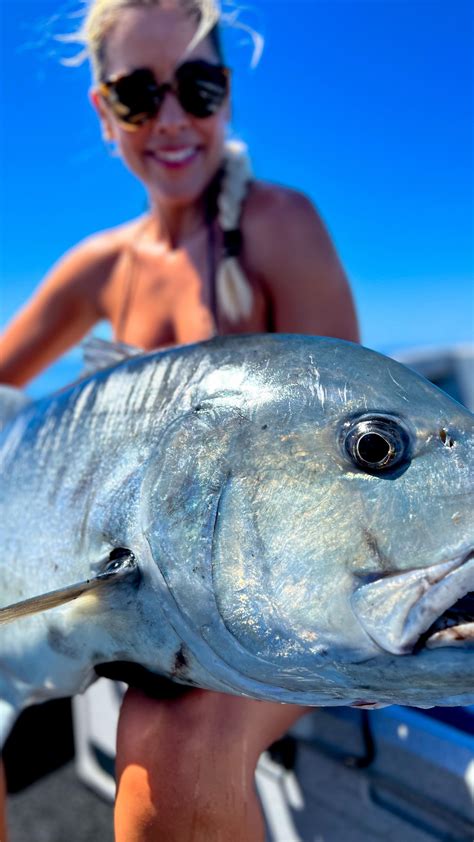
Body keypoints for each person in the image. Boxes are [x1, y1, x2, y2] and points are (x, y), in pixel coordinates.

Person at [0, 1, 359, 839]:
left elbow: (346, 453)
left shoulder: (279, 228)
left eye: (195, 88)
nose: (169, 119)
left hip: (273, 602)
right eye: (136, 94)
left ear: (226, 97)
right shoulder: (99, 266)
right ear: (103, 110)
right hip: (124, 596)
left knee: (175, 742)